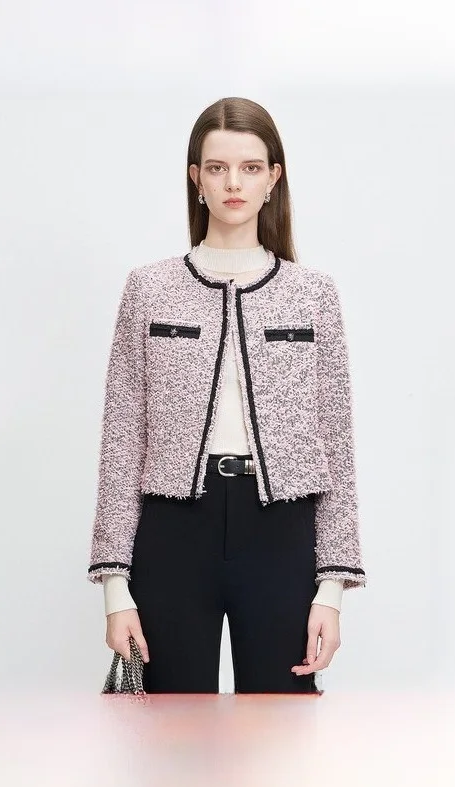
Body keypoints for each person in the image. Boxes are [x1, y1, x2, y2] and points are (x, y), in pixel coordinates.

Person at [87, 96, 366, 694]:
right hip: (173, 530)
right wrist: (115, 588)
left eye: (249, 167)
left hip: (281, 532)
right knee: (166, 728)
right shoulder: (149, 289)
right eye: (217, 168)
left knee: (280, 729)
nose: (233, 183)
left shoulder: (313, 294)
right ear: (196, 179)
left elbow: (335, 442)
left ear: (273, 178)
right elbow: (123, 439)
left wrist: (332, 588)